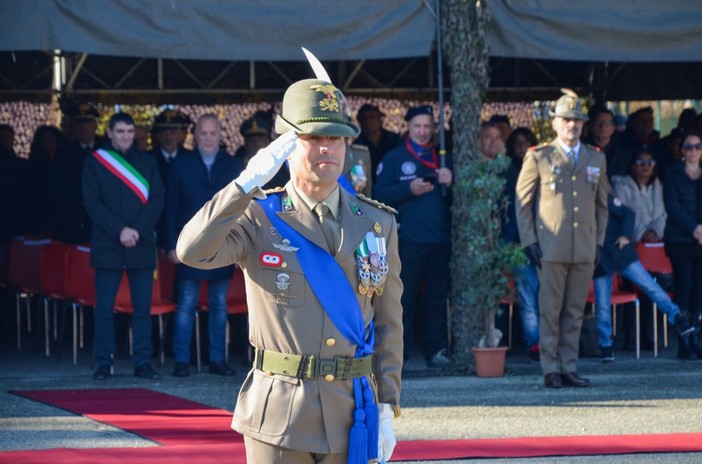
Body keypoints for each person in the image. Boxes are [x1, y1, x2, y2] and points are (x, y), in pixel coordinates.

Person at [176, 78, 402, 464]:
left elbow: (388, 323)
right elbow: (192, 251)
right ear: (286, 147)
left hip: (353, 413)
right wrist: (244, 184)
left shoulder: (377, 222)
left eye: (336, 137)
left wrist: (388, 404)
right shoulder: (258, 216)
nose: (327, 147)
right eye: (313, 137)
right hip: (280, 414)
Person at [516, 89, 609, 388]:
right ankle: (550, 368)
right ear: (555, 123)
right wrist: (530, 241)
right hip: (550, 247)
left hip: (583, 247)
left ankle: (569, 365)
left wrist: (599, 242)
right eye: (566, 119)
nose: (572, 125)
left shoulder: (596, 157)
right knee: (550, 310)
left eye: (577, 120)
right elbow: (522, 202)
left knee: (574, 311)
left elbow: (601, 206)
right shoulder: (539, 156)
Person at [82, 112, 165, 380]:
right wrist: (120, 230)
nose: (126, 137)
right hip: (109, 243)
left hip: (140, 244)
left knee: (143, 309)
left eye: (130, 132)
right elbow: (92, 203)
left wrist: (136, 231)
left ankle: (142, 361)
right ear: (110, 133)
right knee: (105, 308)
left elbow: (157, 201)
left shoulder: (148, 162)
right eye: (120, 132)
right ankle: (104, 362)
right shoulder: (95, 163)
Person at [373, 104, 452, 369]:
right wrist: (409, 189)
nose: (422, 131)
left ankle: (436, 350)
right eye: (417, 126)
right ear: (408, 127)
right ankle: (400, 353)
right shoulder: (395, 158)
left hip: (441, 240)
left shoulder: (443, 158)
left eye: (427, 126)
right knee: (403, 299)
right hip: (407, 240)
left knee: (436, 299)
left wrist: (450, 181)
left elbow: (462, 200)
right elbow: (379, 195)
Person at [166, 114, 243, 377]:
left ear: (220, 134)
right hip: (189, 245)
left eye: (213, 133)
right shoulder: (181, 164)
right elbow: (171, 208)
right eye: (203, 133)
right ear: (195, 135)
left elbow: (241, 209)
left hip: (222, 244)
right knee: (186, 303)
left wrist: (239, 245)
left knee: (219, 304)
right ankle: (181, 360)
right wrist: (171, 245)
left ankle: (217, 360)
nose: (208, 138)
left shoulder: (233, 165)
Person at [593, 194, 693, 362]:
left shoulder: (601, 196)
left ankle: (677, 318)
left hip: (620, 251)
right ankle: (606, 346)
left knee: (649, 286)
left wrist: (625, 235)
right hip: (600, 257)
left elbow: (628, 213)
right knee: (602, 304)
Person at [663, 129, 702, 359]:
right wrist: (694, 228)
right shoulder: (673, 173)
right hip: (679, 239)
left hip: (700, 240)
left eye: (697, 146)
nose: (693, 151)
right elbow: (672, 204)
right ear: (682, 151)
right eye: (689, 147)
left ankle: (697, 338)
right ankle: (684, 340)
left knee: (699, 291)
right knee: (684, 288)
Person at [502, 127, 540, 361]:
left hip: (544, 242)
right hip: (518, 245)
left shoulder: (543, 169)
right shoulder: (507, 172)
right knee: (527, 296)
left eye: (526, 142)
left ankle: (548, 343)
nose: (521, 147)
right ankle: (534, 344)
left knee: (546, 296)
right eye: (517, 143)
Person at [50, 102, 100, 244]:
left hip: (101, 224)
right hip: (72, 224)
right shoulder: (63, 155)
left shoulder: (108, 152)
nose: (84, 127)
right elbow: (57, 191)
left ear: (95, 125)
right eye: (79, 123)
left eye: (88, 122)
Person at [150, 109, 192, 247]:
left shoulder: (191, 159)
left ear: (182, 134)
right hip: (155, 227)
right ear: (157, 134)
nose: (168, 135)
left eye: (173, 130)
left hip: (185, 227)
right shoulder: (147, 160)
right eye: (163, 130)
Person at [612, 150, 666, 243]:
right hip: (631, 243)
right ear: (633, 167)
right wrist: (643, 233)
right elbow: (621, 214)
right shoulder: (621, 187)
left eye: (650, 162)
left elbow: (665, 214)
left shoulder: (660, 188)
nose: (645, 165)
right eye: (640, 162)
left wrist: (655, 232)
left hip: (658, 241)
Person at [27, 125, 66, 235]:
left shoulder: (66, 164)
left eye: (50, 140)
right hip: (41, 216)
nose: (48, 144)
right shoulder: (34, 166)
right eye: (44, 141)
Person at [354, 103, 401, 180]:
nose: (368, 121)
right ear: (360, 123)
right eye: (364, 119)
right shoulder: (357, 147)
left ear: (380, 121)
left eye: (372, 118)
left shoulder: (395, 141)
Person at [583, 107, 630, 179]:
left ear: (613, 128)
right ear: (591, 125)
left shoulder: (623, 154)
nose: (602, 127)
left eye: (607, 124)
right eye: (598, 123)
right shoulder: (582, 151)